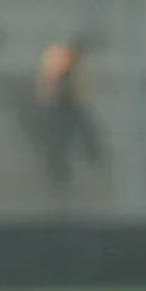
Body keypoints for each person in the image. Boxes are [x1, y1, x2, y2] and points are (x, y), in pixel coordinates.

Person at [35, 34, 105, 190]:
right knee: (62, 140)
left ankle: (92, 157)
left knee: (77, 135)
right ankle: (62, 174)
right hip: (61, 106)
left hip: (68, 104)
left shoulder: (70, 63)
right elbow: (53, 85)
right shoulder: (62, 61)